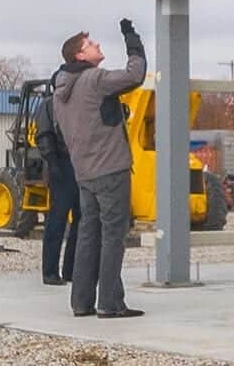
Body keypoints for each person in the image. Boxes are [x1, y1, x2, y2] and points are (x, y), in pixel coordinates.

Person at [51, 18, 147, 319]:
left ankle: (81, 302)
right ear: (79, 55)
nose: (97, 45)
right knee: (113, 237)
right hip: (111, 170)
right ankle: (110, 303)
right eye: (90, 44)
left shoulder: (60, 92)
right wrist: (132, 39)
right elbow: (135, 74)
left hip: (84, 173)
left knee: (88, 235)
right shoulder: (94, 79)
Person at [37, 62, 79, 286]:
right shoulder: (49, 105)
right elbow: (44, 135)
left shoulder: (77, 103)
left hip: (79, 164)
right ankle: (50, 271)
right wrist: (52, 162)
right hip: (60, 164)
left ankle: (71, 269)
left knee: (81, 219)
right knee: (57, 219)